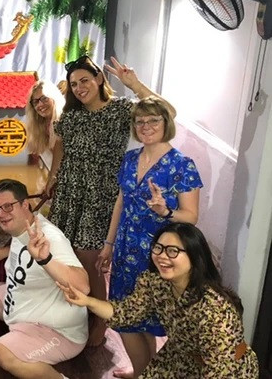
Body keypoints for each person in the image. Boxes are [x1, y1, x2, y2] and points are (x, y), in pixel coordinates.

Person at [45, 56, 176, 346]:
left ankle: (99, 322)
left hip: (100, 197)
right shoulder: (71, 115)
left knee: (89, 261)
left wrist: (134, 84)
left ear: (100, 80)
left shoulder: (120, 110)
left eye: (85, 81)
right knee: (64, 257)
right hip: (69, 193)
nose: (80, 88)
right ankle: (70, 317)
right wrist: (51, 182)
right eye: (74, 84)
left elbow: (167, 113)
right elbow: (60, 150)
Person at [60, 223, 259, 378]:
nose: (162, 256)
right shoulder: (156, 283)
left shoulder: (216, 311)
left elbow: (220, 370)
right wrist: (87, 301)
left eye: (173, 251)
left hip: (224, 369)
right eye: (158, 248)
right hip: (179, 357)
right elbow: (125, 312)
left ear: (195, 256)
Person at [97, 96, 202, 378]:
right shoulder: (130, 159)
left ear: (165, 123)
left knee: (146, 319)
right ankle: (145, 371)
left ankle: (146, 373)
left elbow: (190, 216)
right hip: (125, 250)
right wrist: (108, 244)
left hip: (159, 256)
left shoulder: (182, 165)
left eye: (153, 120)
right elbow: (120, 202)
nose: (146, 126)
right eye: (140, 121)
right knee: (128, 317)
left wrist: (165, 210)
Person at [0, 179, 89, 379]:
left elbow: (82, 286)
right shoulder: (21, 227)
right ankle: (20, 332)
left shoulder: (49, 238)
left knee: (2, 352)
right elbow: (23, 243)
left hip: (59, 331)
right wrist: (4, 252)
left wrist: (45, 259)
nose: (1, 214)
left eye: (8, 206)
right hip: (23, 304)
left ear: (25, 204)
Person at [25, 80, 65, 171]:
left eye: (44, 98)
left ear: (54, 97)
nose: (40, 105)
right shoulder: (40, 128)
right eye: (35, 102)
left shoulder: (66, 123)